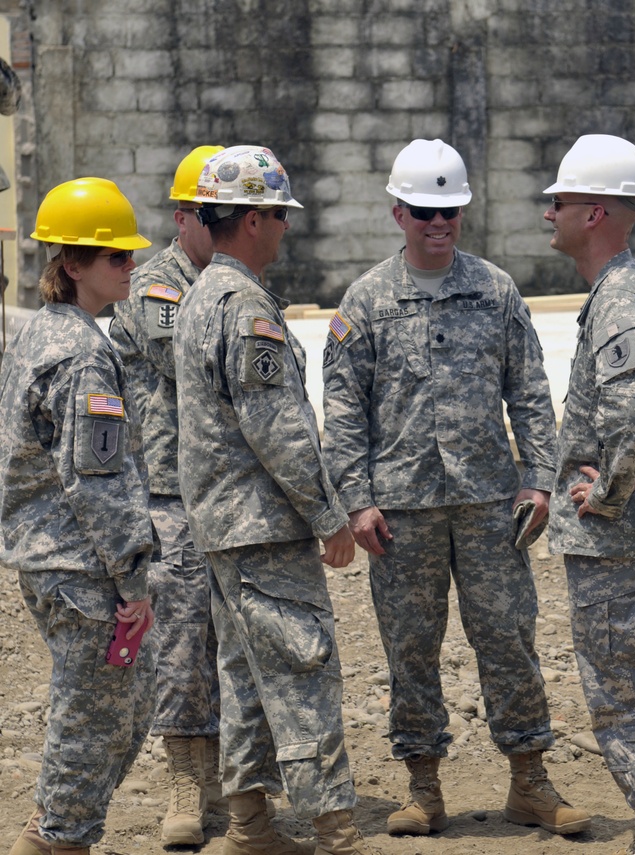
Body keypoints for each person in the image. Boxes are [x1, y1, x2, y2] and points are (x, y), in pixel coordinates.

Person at [322, 138, 590, 839]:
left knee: (507, 636)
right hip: (400, 510)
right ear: (397, 213)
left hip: (487, 503)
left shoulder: (496, 290)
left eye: (449, 211)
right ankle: (423, 785)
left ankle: (529, 780)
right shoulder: (366, 302)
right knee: (411, 645)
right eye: (422, 211)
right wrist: (356, 499)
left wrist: (538, 480)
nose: (437, 223)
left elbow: (530, 393)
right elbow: (344, 409)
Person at [173, 144, 377, 855]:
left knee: (247, 674)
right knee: (303, 664)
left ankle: (250, 824)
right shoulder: (244, 306)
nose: (286, 229)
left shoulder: (202, 296)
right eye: (279, 216)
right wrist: (329, 516)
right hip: (260, 526)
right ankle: (335, 829)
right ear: (254, 218)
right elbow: (278, 427)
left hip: (224, 528)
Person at [542, 134, 635, 855]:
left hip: (619, 537)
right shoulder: (623, 291)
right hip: (626, 535)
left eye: (561, 201)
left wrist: (604, 494)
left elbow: (634, 410)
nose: (551, 213)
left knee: (626, 684)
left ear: (596, 211)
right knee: (634, 672)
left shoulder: (623, 300)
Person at [1, 177, 156, 854]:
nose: (130, 265)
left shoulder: (39, 334)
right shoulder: (83, 352)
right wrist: (132, 578)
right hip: (79, 560)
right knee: (91, 715)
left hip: (47, 551)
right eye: (115, 257)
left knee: (119, 701)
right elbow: (98, 481)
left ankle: (55, 826)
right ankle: (60, 838)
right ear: (72, 264)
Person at [108, 145, 226, 845]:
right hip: (171, 495)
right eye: (216, 216)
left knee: (234, 644)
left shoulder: (238, 284)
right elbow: (196, 357)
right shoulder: (154, 286)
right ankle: (186, 783)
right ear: (184, 218)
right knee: (182, 647)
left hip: (231, 493)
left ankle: (232, 784)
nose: (230, 226)